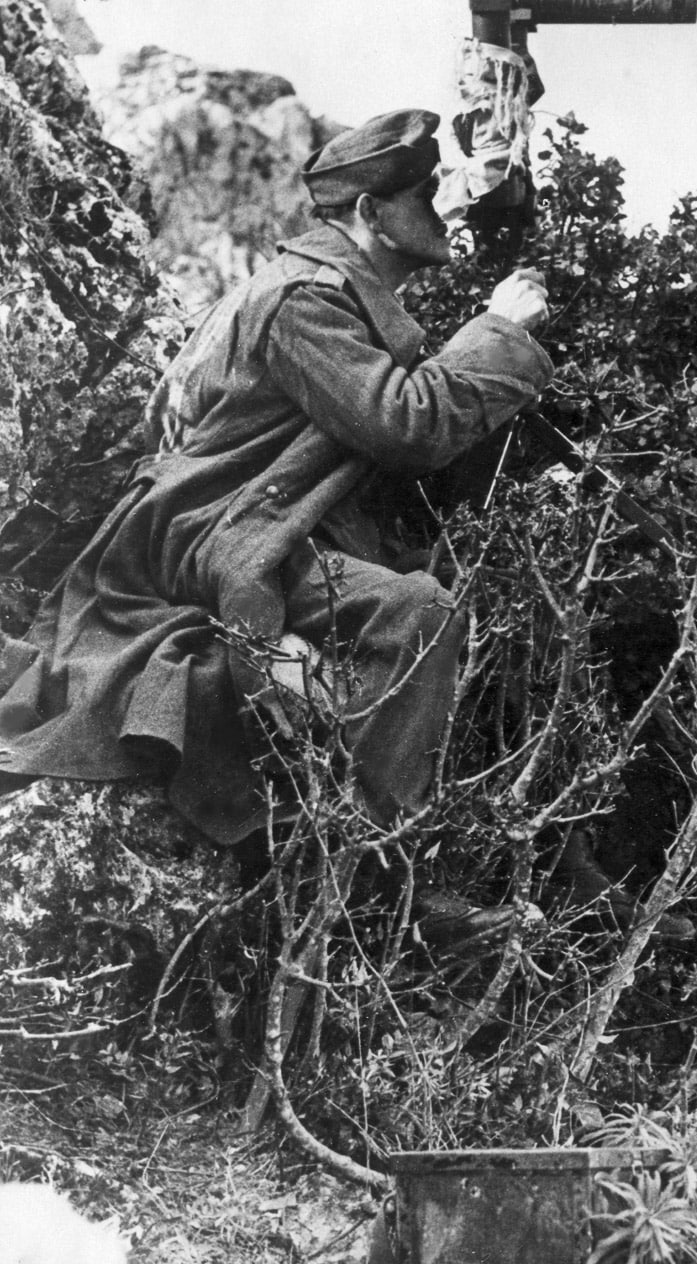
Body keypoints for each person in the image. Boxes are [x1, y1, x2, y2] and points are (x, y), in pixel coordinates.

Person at [0, 109, 553, 946]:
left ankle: (353, 837)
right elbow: (403, 424)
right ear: (369, 216)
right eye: (421, 195)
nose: (440, 211)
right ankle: (384, 887)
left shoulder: (332, 290)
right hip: (214, 534)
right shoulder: (304, 301)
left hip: (268, 525)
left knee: (416, 608)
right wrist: (500, 332)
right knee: (419, 611)